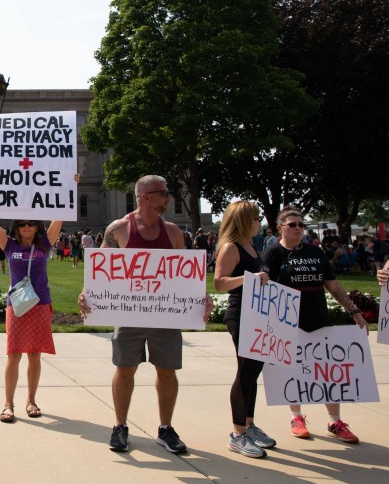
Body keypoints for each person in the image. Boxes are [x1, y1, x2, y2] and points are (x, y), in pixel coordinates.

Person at [78, 175, 211, 454]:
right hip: (129, 315)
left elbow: (186, 276)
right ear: (145, 196)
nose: (168, 198)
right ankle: (120, 426)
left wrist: (202, 298)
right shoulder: (119, 229)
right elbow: (101, 273)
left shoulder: (173, 232)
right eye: (163, 193)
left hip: (165, 316)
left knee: (167, 371)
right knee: (125, 368)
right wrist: (87, 294)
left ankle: (165, 428)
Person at [261, 205, 367, 443]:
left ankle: (335, 421)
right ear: (280, 228)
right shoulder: (272, 253)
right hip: (288, 321)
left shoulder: (315, 252)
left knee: (327, 371)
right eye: (292, 225)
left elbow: (332, 284)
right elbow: (264, 288)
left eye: (301, 225)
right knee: (293, 370)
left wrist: (354, 311)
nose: (298, 228)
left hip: (319, 318)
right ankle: (296, 416)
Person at [0, 182, 67, 424]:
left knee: (34, 355)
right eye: (23, 224)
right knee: (13, 354)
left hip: (39, 304)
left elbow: (59, 219)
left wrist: (71, 187)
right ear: (17, 227)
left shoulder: (44, 244)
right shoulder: (9, 245)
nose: (27, 227)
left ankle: (31, 400)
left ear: (37, 227)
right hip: (16, 305)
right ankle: (8, 404)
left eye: (32, 223)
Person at [213, 201, 276, 458]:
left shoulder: (252, 246)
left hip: (258, 315)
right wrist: (250, 279)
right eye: (255, 218)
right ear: (244, 220)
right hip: (241, 314)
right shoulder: (231, 247)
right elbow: (219, 283)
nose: (259, 221)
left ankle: (249, 425)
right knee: (245, 372)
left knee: (253, 371)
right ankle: (237, 434)